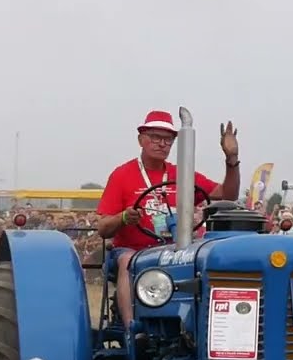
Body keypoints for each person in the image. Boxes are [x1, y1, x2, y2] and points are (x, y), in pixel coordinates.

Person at [95, 109, 242, 329]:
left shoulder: (182, 174)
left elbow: (228, 195)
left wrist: (231, 159)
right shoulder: (122, 175)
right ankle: (130, 329)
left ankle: (209, 327)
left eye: (168, 139)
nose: (162, 144)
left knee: (207, 259)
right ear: (141, 139)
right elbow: (103, 228)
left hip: (175, 251)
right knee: (126, 261)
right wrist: (124, 217)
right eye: (155, 137)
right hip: (134, 250)